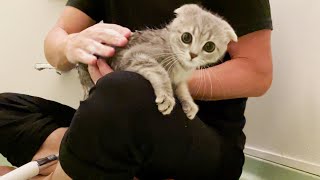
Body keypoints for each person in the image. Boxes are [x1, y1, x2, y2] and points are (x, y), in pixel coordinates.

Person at [0, 0, 273, 179]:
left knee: (124, 90)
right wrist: (69, 46)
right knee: (5, 108)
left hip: (203, 143)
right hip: (120, 125)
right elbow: (57, 37)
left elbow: (257, 73)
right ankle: (93, 161)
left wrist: (160, 80)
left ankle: (74, 165)